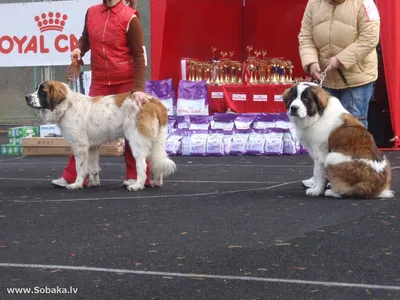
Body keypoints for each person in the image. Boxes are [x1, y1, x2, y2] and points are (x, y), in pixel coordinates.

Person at [51, 0, 151, 188]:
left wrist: (138, 88)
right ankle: (75, 175)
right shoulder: (91, 12)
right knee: (82, 130)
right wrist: (79, 48)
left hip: (126, 82)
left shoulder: (130, 17)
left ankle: (136, 176)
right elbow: (86, 38)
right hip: (99, 82)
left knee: (133, 131)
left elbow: (139, 55)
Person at [298, 0, 380, 129]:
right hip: (327, 80)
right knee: (325, 130)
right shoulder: (313, 3)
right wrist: (311, 61)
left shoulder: (365, 3)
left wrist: (340, 60)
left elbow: (369, 38)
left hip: (356, 80)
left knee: (352, 130)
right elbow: (306, 36)